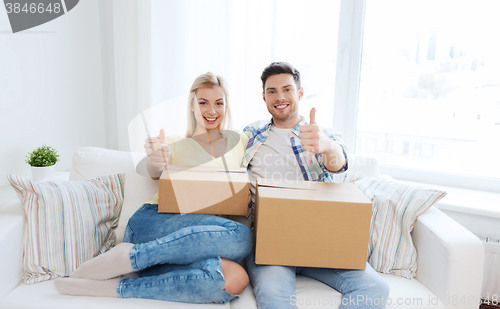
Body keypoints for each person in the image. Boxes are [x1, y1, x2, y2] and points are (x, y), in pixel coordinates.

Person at [54, 72, 253, 304]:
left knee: (233, 279)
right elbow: (154, 168)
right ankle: (131, 256)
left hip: (189, 247)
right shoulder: (174, 143)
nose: (211, 111)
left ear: (226, 106)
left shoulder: (240, 140)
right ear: (192, 105)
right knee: (241, 237)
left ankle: (119, 284)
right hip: (154, 224)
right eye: (203, 103)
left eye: (219, 103)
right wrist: (156, 160)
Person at [243, 62, 390, 308]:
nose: (279, 97)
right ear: (264, 97)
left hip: (320, 239)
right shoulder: (251, 135)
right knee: (275, 297)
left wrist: (326, 145)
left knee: (374, 286)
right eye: (272, 91)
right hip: (270, 242)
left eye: (287, 89)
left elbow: (338, 163)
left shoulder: (321, 134)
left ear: (299, 93)